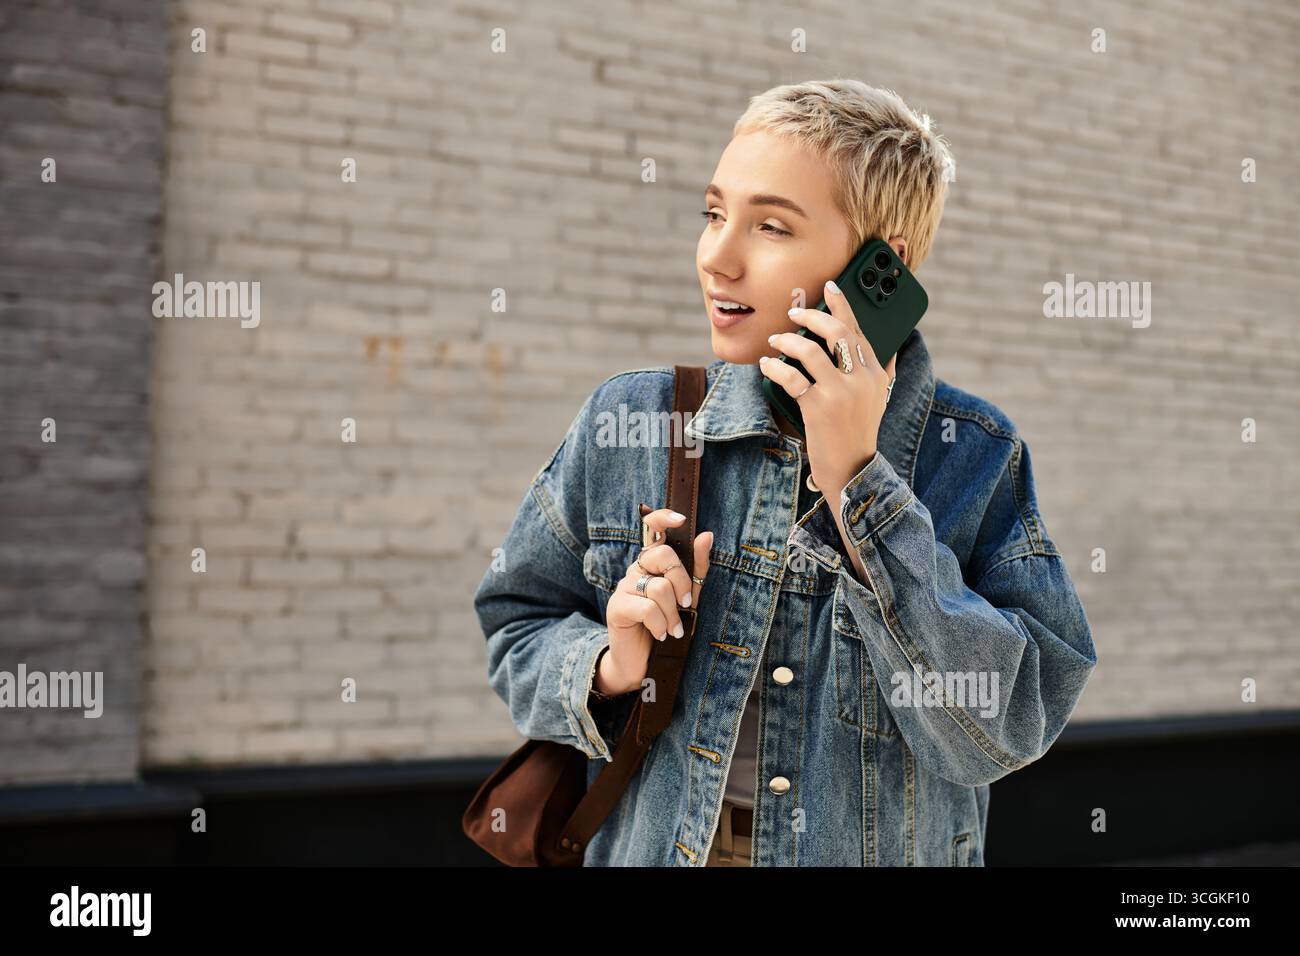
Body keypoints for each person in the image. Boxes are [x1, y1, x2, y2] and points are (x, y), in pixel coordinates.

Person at [473, 79, 1097, 866]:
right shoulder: (629, 421)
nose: (716, 257)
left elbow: (1010, 726)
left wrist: (861, 487)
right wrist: (611, 663)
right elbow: (515, 622)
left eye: (769, 226)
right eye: (713, 213)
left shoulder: (972, 454)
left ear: (882, 267)